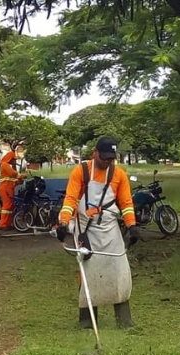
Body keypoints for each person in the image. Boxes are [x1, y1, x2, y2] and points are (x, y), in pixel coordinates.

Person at [56, 136, 140, 329]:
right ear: (95, 153)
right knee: (88, 272)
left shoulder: (119, 175)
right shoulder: (81, 171)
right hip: (86, 230)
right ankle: (86, 321)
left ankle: (124, 320)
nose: (108, 162)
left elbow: (126, 204)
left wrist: (132, 225)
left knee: (118, 271)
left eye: (111, 159)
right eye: (104, 158)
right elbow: (70, 199)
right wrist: (63, 222)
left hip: (110, 229)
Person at [0, 151, 26, 231]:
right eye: (13, 159)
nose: (14, 161)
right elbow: (13, 174)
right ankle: (3, 224)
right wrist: (21, 175)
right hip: (5, 188)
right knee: (7, 206)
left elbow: (11, 179)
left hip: (7, 188)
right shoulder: (5, 165)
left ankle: (7, 223)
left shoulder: (5, 165)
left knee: (10, 206)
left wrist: (18, 181)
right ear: (9, 158)